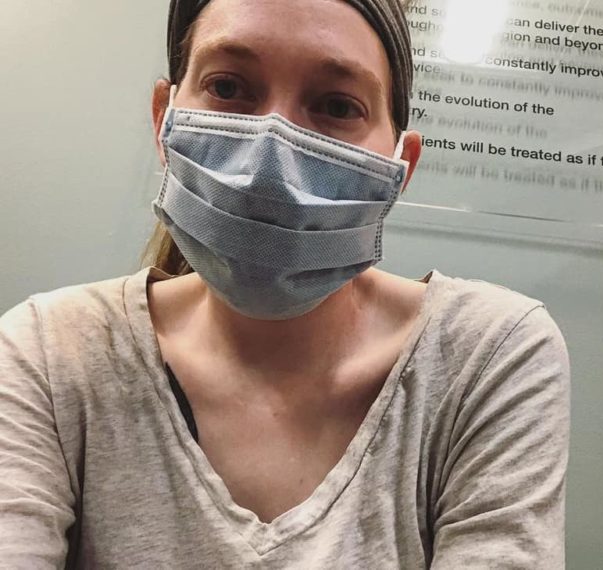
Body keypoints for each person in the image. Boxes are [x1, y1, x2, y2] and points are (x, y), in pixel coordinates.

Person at [0, 0, 570, 567]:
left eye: (336, 105)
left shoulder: (488, 355)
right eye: (228, 87)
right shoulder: (50, 352)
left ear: (401, 168)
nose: (272, 153)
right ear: (163, 119)